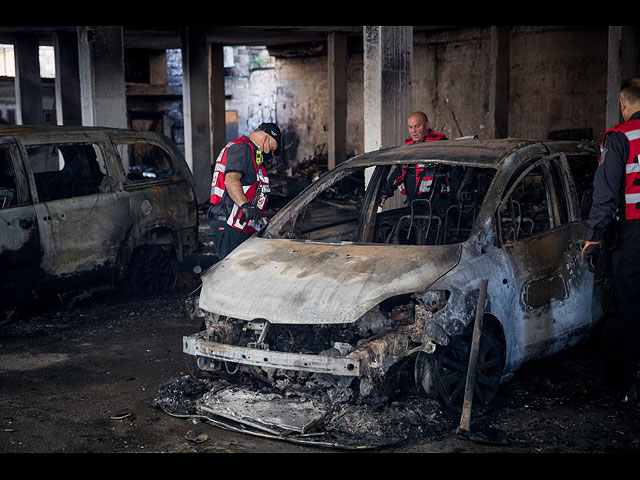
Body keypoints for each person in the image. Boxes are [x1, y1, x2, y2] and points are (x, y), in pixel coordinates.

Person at [582, 77, 640, 403]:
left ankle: (618, 386)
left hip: (632, 236)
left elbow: (605, 195)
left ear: (622, 103)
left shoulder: (619, 137)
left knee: (625, 310)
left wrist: (594, 237)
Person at [208, 122, 281, 259]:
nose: (270, 154)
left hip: (235, 226)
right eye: (271, 149)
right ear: (265, 139)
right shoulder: (243, 148)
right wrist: (245, 205)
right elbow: (231, 179)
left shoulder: (247, 151)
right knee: (234, 276)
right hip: (230, 226)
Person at [380, 111, 462, 211]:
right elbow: (399, 171)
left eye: (417, 126)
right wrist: (386, 192)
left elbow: (455, 172)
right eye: (410, 127)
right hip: (414, 203)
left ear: (427, 125)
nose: (413, 131)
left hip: (438, 205)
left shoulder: (441, 144)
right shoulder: (407, 147)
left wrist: (457, 200)